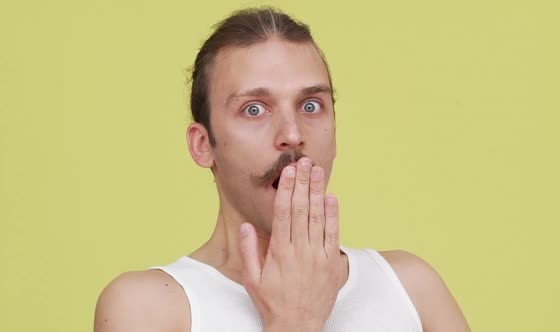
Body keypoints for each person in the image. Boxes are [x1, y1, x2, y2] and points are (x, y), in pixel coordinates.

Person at [94, 7, 470, 332]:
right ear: (203, 145)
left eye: (310, 105)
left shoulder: (412, 287)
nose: (292, 134)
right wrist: (295, 322)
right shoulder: (147, 308)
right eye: (254, 109)